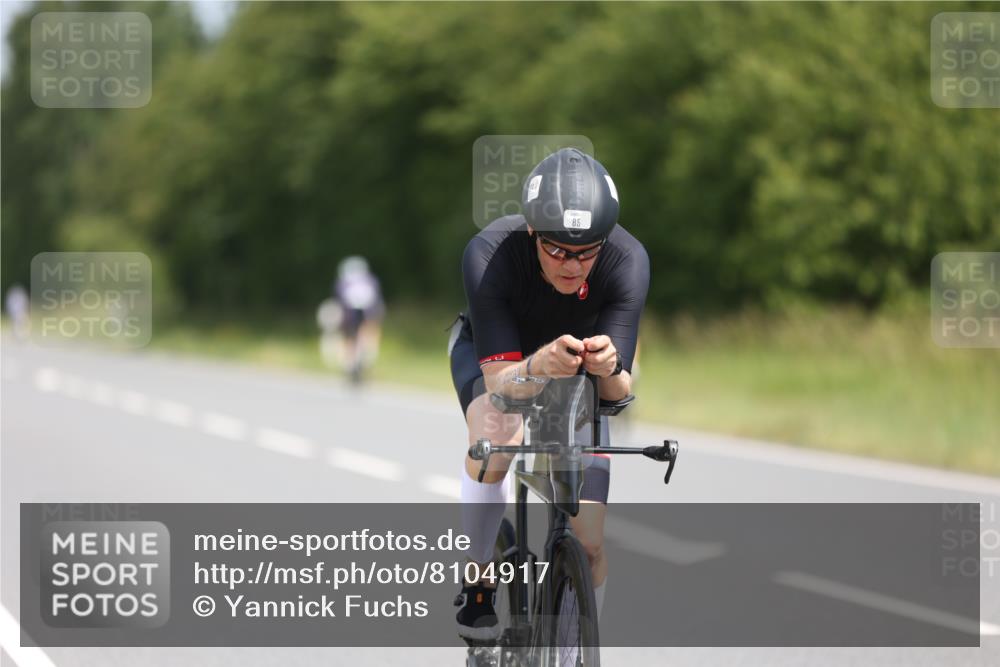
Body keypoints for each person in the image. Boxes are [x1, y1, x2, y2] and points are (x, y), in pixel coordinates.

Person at [449, 148, 649, 641]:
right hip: (498, 358)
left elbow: (620, 390)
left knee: (592, 541)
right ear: (533, 233)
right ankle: (478, 575)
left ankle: (575, 645)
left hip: (577, 372)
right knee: (499, 435)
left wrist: (608, 367)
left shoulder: (627, 260)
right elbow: (501, 390)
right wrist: (539, 363)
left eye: (586, 252)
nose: (573, 265)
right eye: (557, 249)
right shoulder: (490, 252)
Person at [332, 256, 385, 383]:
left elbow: (339, 301)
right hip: (367, 313)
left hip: (350, 314)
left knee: (350, 336)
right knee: (368, 333)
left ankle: (351, 362)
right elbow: (376, 302)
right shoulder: (371, 280)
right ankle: (363, 359)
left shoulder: (343, 282)